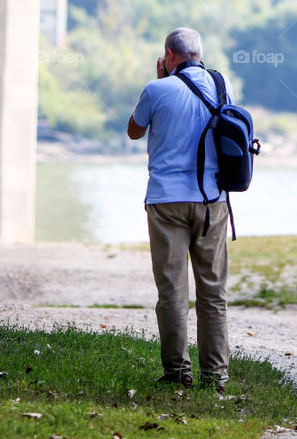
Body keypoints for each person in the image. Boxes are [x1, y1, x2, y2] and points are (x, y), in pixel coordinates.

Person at [127, 27, 232, 392]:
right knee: (213, 290)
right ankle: (215, 376)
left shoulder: (156, 89)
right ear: (199, 54)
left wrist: (161, 81)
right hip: (211, 201)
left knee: (171, 290)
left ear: (169, 56)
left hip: (166, 201)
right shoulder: (221, 85)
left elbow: (134, 131)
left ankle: (177, 372)